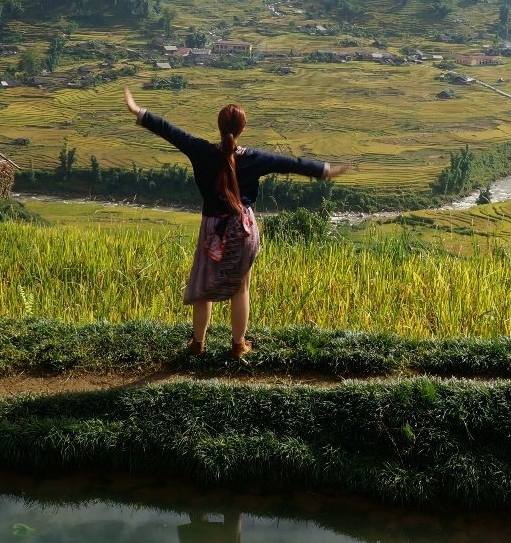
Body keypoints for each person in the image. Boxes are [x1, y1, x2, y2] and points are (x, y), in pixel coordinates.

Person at [123, 86, 350, 359]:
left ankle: (197, 344)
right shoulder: (254, 159)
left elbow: (171, 131)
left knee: (203, 287)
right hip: (244, 229)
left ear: (218, 127)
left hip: (212, 231)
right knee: (241, 287)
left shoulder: (201, 151)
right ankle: (238, 345)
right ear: (242, 129)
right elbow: (290, 163)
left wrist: (139, 112)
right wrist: (326, 171)